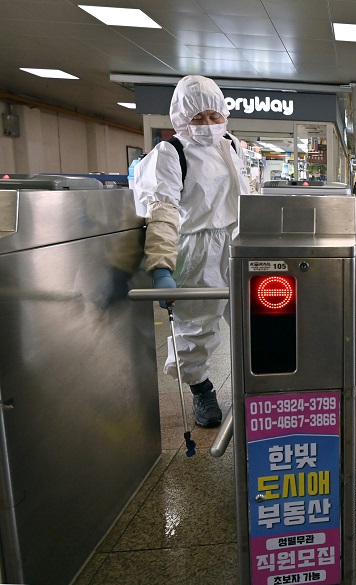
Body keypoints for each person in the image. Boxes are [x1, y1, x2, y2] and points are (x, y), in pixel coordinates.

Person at [133, 75, 249, 428]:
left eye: (214, 116)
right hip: (197, 251)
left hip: (240, 245)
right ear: (182, 118)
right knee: (196, 328)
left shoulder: (231, 146)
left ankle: (257, 384)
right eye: (198, 118)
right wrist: (161, 267)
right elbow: (162, 211)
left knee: (252, 321)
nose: (208, 125)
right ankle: (202, 389)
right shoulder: (170, 153)